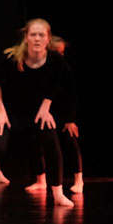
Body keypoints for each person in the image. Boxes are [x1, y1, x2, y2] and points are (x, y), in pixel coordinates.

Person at [0, 19, 75, 207]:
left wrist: (46, 106)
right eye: (33, 34)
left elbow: (60, 84)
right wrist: (0, 112)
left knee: (51, 141)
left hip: (36, 111)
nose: (37, 38)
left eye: (42, 35)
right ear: (26, 37)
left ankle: (57, 194)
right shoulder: (12, 58)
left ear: (48, 39)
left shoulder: (56, 60)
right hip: (7, 110)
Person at [47, 35, 84, 193]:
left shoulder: (65, 69)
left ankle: (79, 180)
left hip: (65, 113)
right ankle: (41, 179)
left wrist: (70, 119)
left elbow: (73, 96)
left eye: (62, 52)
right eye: (57, 52)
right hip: (48, 112)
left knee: (70, 142)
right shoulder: (42, 68)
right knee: (42, 144)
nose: (60, 56)